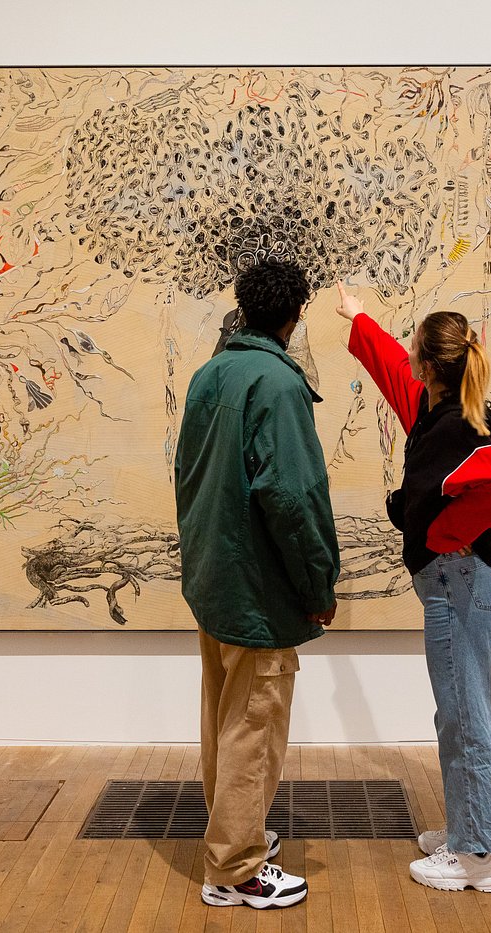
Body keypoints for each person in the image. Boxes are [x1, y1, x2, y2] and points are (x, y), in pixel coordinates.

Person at [335, 281, 491, 893]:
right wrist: (359, 318)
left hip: (458, 585)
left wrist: (450, 531)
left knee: (465, 714)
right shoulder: (437, 410)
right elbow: (393, 371)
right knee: (457, 711)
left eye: (414, 349)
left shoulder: (456, 428)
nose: (408, 359)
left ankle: (479, 855)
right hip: (455, 585)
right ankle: (469, 828)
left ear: (430, 364)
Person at [174, 259, 340, 910]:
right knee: (254, 724)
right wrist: (318, 584)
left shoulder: (210, 374)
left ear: (245, 308)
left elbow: (187, 475)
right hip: (258, 589)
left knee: (224, 717)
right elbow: (292, 496)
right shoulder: (278, 383)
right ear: (294, 316)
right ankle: (237, 869)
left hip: (214, 578)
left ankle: (233, 837)